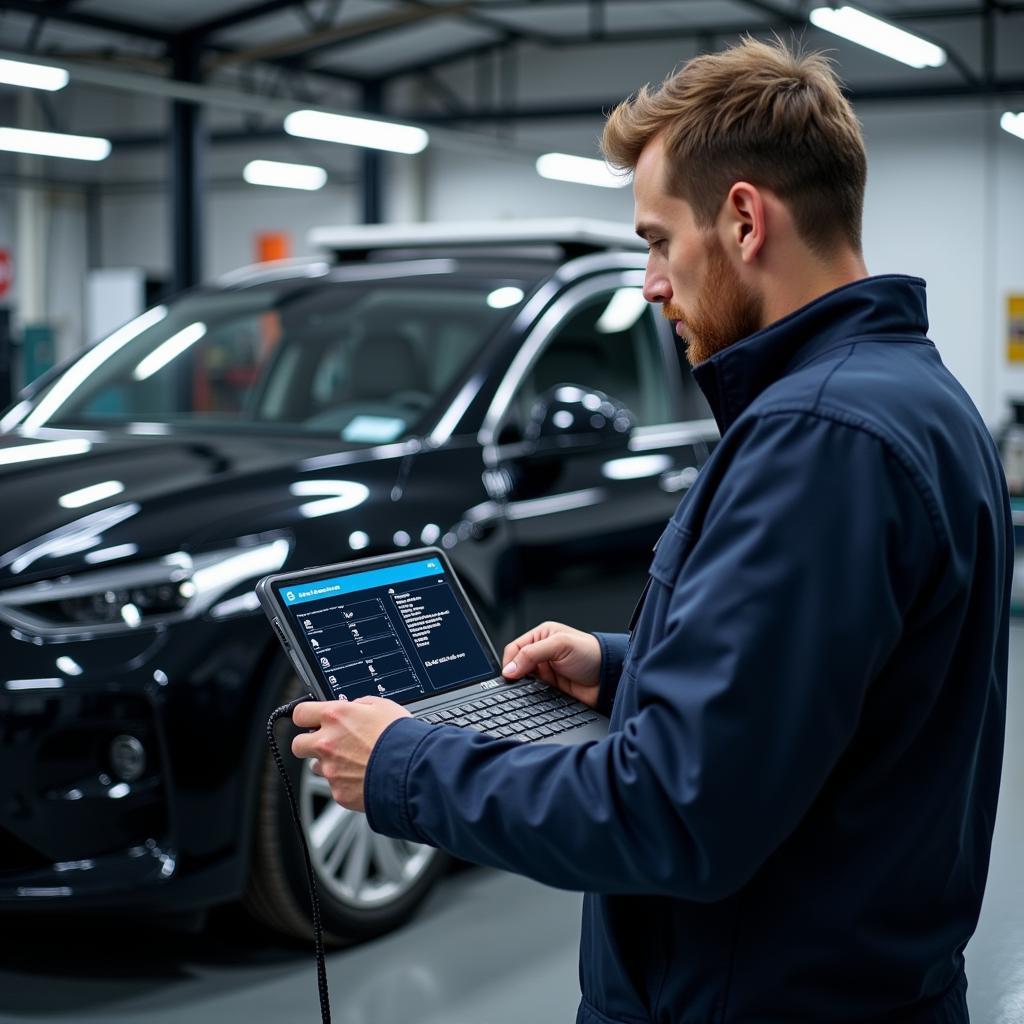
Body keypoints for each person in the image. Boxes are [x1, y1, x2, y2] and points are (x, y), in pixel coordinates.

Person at [292, 37, 1012, 1023]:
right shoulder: (913, 398)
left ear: (745, 220)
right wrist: (624, 666)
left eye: (656, 240)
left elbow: (676, 814)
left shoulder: (817, 439)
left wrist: (408, 765)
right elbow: (835, 689)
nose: (649, 282)